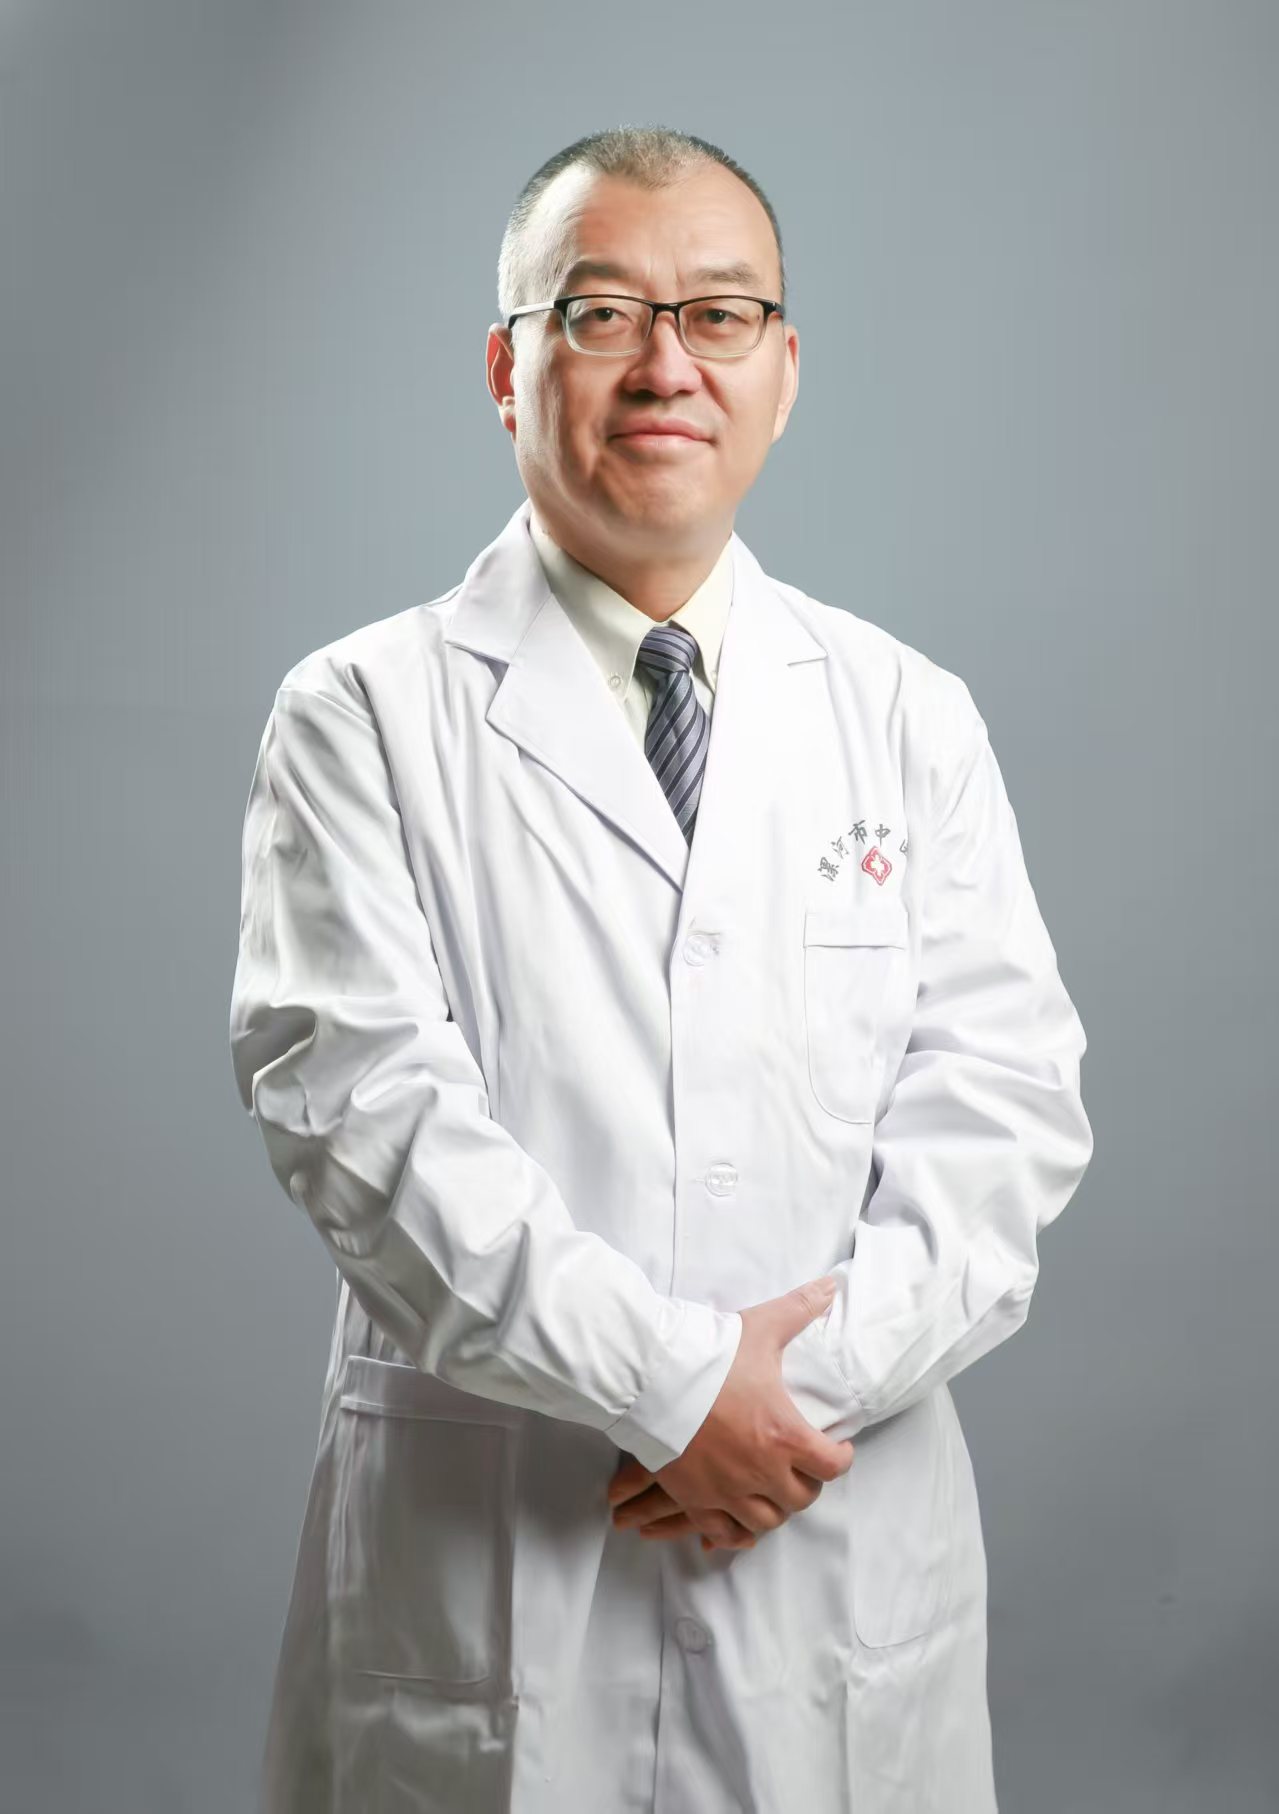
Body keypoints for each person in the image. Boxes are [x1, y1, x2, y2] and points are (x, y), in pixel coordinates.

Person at [229, 124, 1094, 1814]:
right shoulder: (363, 715)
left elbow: (1005, 1117)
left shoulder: (906, 715)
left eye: (717, 314)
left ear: (784, 370)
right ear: (509, 367)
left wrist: (774, 1405)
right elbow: (365, 1118)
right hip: (495, 1567)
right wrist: (671, 1389)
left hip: (829, 1532)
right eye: (601, 311)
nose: (664, 364)